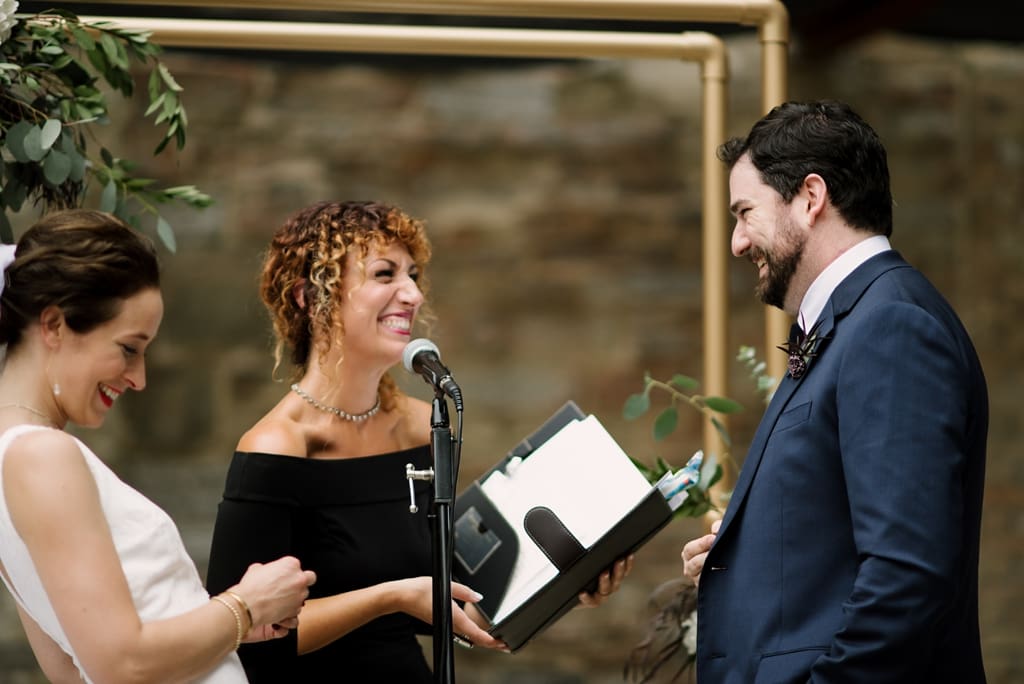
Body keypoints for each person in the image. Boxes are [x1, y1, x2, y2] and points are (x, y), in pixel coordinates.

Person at [205, 200, 633, 682]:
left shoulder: (418, 425)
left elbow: (451, 601)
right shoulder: (277, 445)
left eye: (412, 276)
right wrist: (389, 598)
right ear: (309, 297)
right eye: (384, 274)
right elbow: (240, 632)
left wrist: (567, 582)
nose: (412, 294)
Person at [681, 100, 988, 683]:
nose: (737, 243)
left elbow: (906, 579)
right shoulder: (855, 323)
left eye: (745, 213)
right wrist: (741, 563)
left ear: (811, 197)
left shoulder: (891, 327)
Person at [0, 209, 317, 684]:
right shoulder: (43, 457)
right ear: (55, 325)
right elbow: (120, 663)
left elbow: (69, 666)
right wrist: (246, 605)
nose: (139, 378)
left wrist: (214, 628)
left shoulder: (15, 456)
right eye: (129, 348)